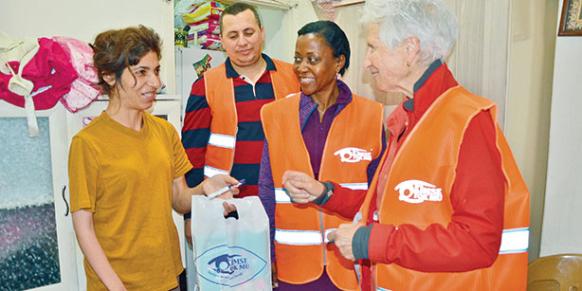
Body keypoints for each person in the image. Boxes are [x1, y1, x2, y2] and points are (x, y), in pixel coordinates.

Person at [281, 1, 530, 290]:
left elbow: (477, 242)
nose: (366, 62)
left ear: (410, 49)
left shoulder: (467, 122)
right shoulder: (411, 118)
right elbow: (391, 209)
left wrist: (373, 242)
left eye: (373, 47)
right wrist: (326, 193)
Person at [68, 25, 238, 291]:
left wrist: (206, 188)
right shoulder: (87, 143)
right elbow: (84, 228)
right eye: (141, 73)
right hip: (118, 283)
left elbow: (180, 200)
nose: (155, 83)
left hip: (168, 275)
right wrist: (115, 286)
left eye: (156, 70)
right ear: (109, 76)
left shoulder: (164, 131)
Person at [259, 20, 386, 290]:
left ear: (339, 62)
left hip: (351, 263)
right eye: (297, 58)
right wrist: (267, 254)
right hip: (293, 267)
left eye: (312, 59)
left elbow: (381, 200)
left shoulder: (372, 116)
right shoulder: (275, 115)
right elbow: (267, 191)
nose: (301, 67)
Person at [181, 2, 300, 245]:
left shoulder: (293, 77)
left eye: (249, 32)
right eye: (233, 36)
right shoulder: (205, 85)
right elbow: (192, 156)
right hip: (227, 210)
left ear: (262, 32)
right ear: (222, 40)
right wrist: (191, 215)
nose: (242, 42)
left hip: (286, 206)